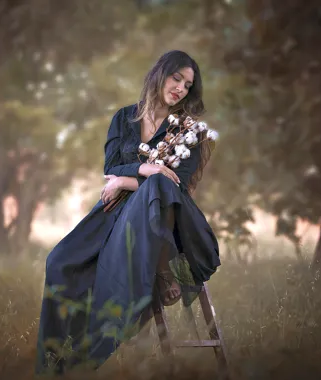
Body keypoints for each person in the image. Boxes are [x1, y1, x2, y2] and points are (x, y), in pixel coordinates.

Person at [36, 50, 221, 375]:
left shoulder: (188, 132)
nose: (180, 88)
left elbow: (173, 185)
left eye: (188, 85)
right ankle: (54, 361)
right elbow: (111, 169)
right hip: (113, 211)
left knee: (157, 189)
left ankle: (165, 270)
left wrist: (128, 177)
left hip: (164, 217)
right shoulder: (124, 118)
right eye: (176, 78)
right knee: (59, 262)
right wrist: (144, 169)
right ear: (160, 74)